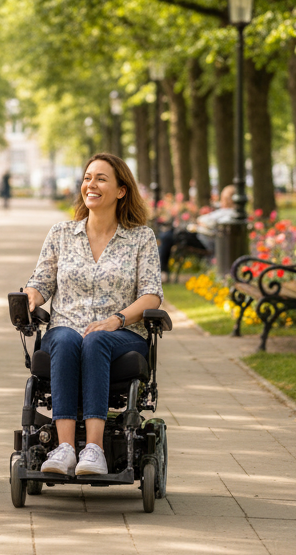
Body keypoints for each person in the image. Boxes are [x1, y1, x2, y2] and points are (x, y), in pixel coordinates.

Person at [23, 152, 163, 476]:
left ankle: (95, 450)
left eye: (101, 178)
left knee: (96, 339)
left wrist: (116, 319)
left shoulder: (141, 238)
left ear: (120, 191)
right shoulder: (61, 234)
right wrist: (30, 296)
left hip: (123, 334)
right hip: (66, 329)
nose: (91, 184)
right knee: (67, 339)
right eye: (88, 178)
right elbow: (40, 282)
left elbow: (151, 294)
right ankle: (65, 448)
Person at [157, 184, 238, 271]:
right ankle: (162, 266)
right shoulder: (224, 211)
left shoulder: (229, 213)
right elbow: (205, 220)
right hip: (199, 235)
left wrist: (202, 222)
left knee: (168, 236)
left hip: (203, 240)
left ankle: (161, 267)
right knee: (167, 235)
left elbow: (209, 222)